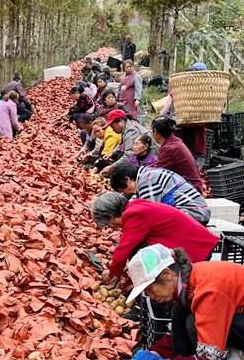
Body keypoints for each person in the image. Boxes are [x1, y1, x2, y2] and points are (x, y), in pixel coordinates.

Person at [90, 193, 218, 278]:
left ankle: (158, 291)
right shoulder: (136, 206)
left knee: (138, 251)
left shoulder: (134, 215)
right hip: (196, 242)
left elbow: (124, 249)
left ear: (112, 217)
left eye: (110, 224)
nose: (113, 227)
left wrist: (113, 273)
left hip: (195, 248)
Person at [109, 160, 211, 224]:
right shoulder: (146, 174)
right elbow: (138, 200)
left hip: (195, 214)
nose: (127, 193)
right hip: (197, 211)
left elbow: (149, 213)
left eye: (124, 190)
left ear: (127, 180)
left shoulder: (146, 180)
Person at [152, 116, 204, 193]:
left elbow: (156, 172)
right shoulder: (175, 141)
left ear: (155, 132)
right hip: (191, 186)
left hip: (191, 191)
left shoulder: (170, 148)